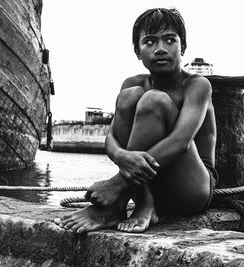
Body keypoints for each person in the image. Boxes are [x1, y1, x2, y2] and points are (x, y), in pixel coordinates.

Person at [55, 7, 217, 233]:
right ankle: (143, 203)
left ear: (183, 47)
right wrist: (121, 156)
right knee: (130, 95)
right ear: (138, 52)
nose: (160, 49)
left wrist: (117, 183)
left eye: (170, 40)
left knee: (154, 101)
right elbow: (112, 138)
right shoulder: (133, 83)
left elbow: (180, 142)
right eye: (150, 42)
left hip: (191, 187)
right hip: (151, 186)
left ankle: (118, 204)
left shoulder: (197, 85)